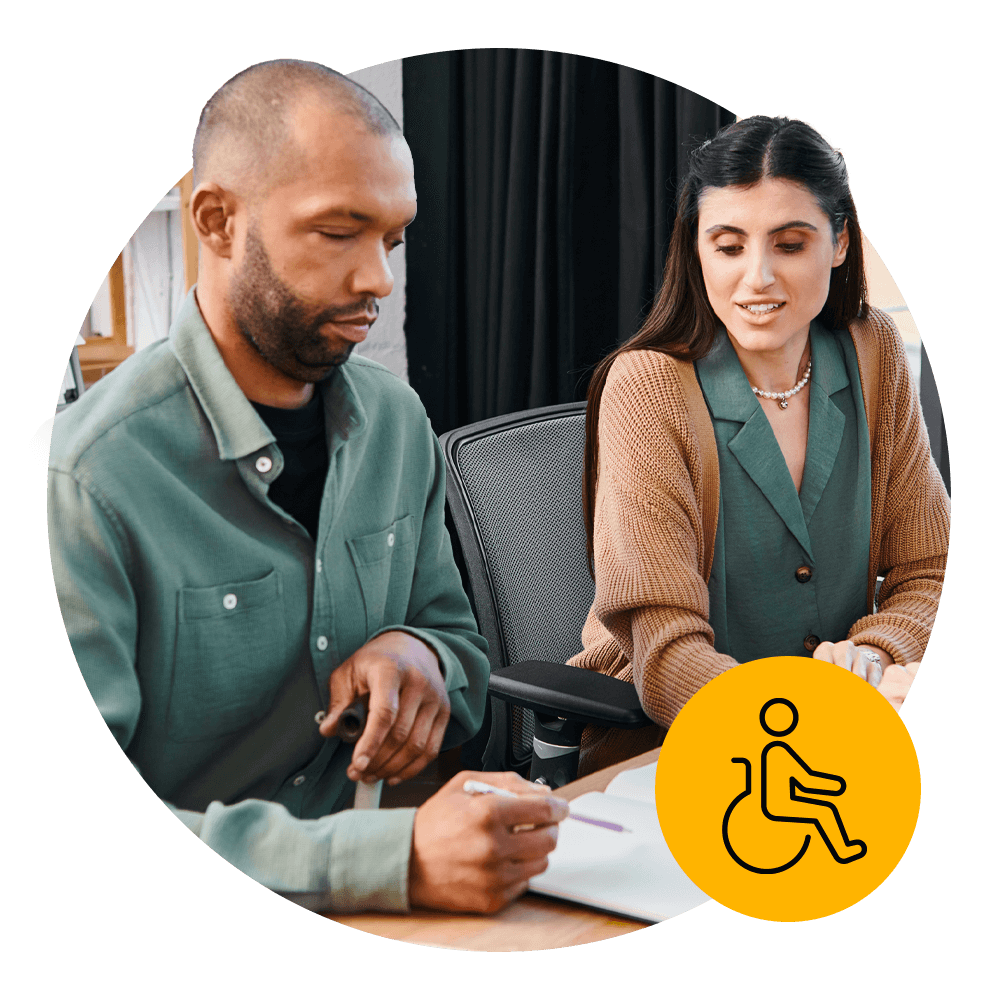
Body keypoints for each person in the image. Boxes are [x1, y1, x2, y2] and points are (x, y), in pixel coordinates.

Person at [46, 59, 568, 915]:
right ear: (217, 221)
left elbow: (466, 661)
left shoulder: (396, 421)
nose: (379, 281)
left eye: (392, 240)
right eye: (338, 232)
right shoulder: (85, 476)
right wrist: (385, 859)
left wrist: (420, 656)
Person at [569, 115, 949, 775]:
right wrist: (803, 722)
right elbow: (666, 652)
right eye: (729, 246)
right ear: (697, 250)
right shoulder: (648, 387)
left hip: (840, 738)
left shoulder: (874, 353)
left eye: (790, 244)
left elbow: (930, 571)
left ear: (840, 242)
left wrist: (874, 654)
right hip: (674, 745)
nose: (757, 278)